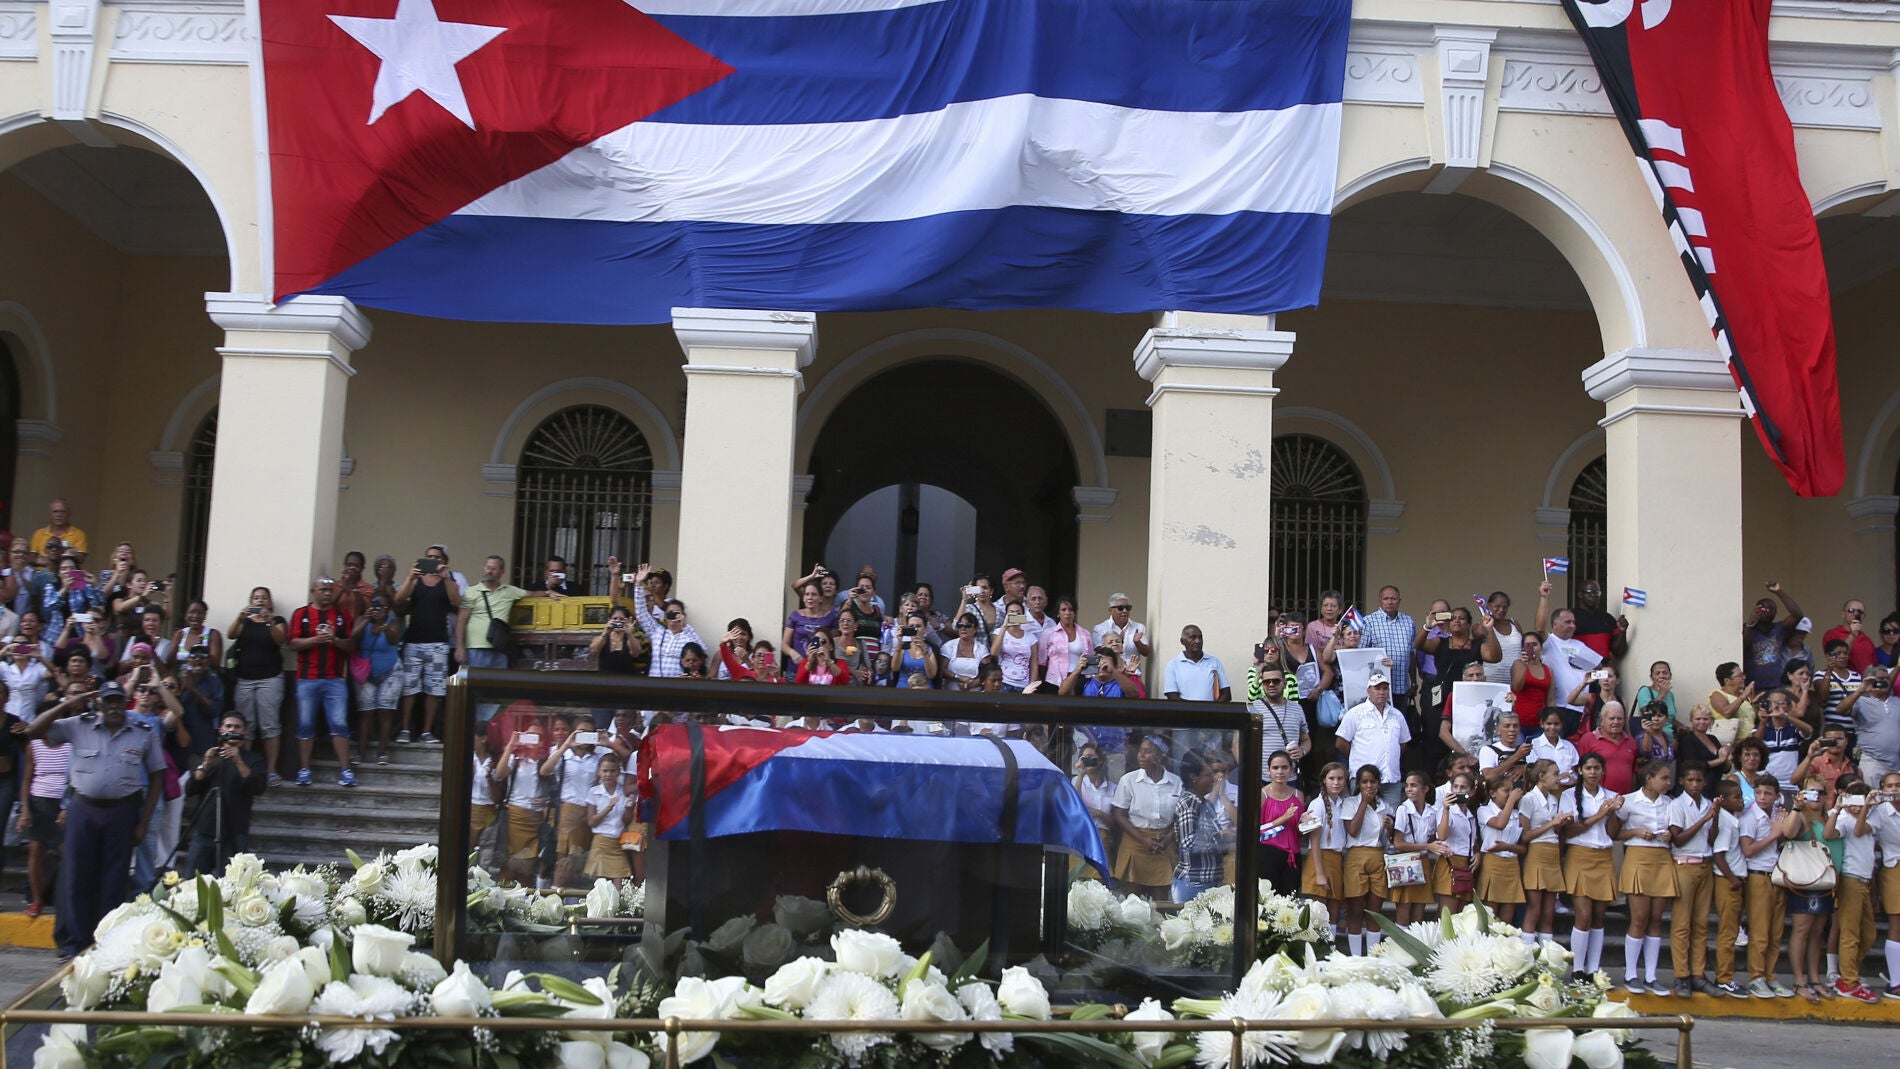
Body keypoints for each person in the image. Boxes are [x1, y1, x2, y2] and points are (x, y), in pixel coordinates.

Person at [13, 682, 165, 959]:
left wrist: (143, 821)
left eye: (118, 701)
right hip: (83, 809)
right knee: (76, 876)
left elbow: (157, 775)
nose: (114, 707)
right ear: (99, 704)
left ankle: (106, 942)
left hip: (122, 811)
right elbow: (33, 731)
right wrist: (70, 702)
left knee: (114, 879)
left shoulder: (142, 731)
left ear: (126, 703)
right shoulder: (79, 724)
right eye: (108, 701)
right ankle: (74, 943)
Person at [1615, 760, 1679, 995]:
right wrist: (1636, 831)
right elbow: (1614, 832)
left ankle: (1651, 976)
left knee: (1655, 919)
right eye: (1664, 778)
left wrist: (1670, 835)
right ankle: (1631, 973)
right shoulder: (1629, 801)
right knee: (1639, 918)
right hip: (1638, 856)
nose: (1668, 782)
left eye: (1669, 778)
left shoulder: (1670, 803)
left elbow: (1675, 830)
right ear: (1649, 779)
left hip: (1662, 858)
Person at [287, 576, 355, 788]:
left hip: (335, 680)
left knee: (340, 723)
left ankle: (345, 770)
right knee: (306, 723)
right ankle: (304, 769)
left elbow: (351, 646)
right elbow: (292, 643)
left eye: (330, 590)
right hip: (306, 679)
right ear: (313, 591)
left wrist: (334, 640)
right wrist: (316, 640)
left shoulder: (342, 615)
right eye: (322, 589)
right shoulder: (301, 614)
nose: (327, 593)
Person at [183, 712, 267, 877]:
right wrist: (206, 764)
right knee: (191, 881)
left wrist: (238, 760)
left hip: (234, 832)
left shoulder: (253, 759)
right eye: (228, 726)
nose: (232, 730)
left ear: (244, 732)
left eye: (237, 727)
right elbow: (190, 788)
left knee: (230, 883)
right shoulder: (211, 757)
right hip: (205, 830)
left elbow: (257, 787)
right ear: (221, 730)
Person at [1559, 751, 1619, 979]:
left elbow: (1613, 833)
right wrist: (1600, 814)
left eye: (1597, 768)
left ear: (1603, 771)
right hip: (1580, 855)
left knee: (1598, 917)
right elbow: (1569, 830)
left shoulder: (1610, 795)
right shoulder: (1568, 796)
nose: (1593, 772)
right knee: (1583, 915)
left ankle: (1593, 969)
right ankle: (1577, 968)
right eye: (1588, 768)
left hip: (1603, 856)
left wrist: (1612, 813)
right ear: (1580, 771)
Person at [395, 545, 460, 744]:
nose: (433, 560)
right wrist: (410, 577)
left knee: (435, 690)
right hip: (413, 641)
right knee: (409, 689)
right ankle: (405, 729)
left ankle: (426, 731)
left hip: (438, 644)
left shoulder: (448, 581)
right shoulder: (416, 580)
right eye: (429, 557)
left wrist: (446, 577)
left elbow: (457, 602)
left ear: (444, 561)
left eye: (437, 557)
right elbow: (398, 600)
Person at [1825, 778, 1881, 1002]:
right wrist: (1837, 809)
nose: (1857, 808)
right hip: (1850, 878)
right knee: (1850, 934)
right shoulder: (1843, 818)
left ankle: (1848, 974)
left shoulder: (1873, 817)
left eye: (1861, 803)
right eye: (1854, 803)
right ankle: (1849, 982)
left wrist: (1867, 807)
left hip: (1864, 880)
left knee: (1869, 934)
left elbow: (1861, 829)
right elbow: (1829, 834)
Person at [1668, 761, 1721, 996]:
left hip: (1705, 864)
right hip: (1684, 864)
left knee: (1701, 924)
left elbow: (1711, 838)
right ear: (1682, 781)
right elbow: (1678, 839)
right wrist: (1704, 819)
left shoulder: (1708, 804)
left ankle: (1698, 974)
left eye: (1699, 780)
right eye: (1690, 780)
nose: (1695, 784)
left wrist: (1714, 817)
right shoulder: (1677, 805)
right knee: (1682, 924)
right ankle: (1681, 975)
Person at [1739, 771, 1793, 998]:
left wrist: (1781, 831)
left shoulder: (1777, 815)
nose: (1762, 797)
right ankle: (1756, 976)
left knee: (1776, 931)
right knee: (1760, 931)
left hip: (1776, 875)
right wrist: (1774, 835)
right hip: (1758, 875)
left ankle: (1770, 975)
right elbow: (1748, 850)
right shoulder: (1750, 816)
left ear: (1776, 796)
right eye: (1759, 792)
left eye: (1767, 793)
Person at [1781, 777, 1835, 1003]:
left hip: (1825, 880)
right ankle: (1799, 979)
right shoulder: (1802, 816)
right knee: (1802, 930)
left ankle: (1814, 978)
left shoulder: (1828, 816)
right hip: (1806, 880)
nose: (1817, 797)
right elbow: (1788, 832)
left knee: (1817, 932)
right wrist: (1796, 807)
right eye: (1812, 792)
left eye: (1821, 792)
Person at [227, 587, 286, 784]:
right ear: (250, 601)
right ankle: (244, 767)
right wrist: (239, 618)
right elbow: (231, 635)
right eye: (256, 598)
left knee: (270, 726)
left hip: (270, 679)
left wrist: (270, 622)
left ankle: (271, 771)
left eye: (264, 598)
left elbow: (280, 640)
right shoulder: (245, 621)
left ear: (270, 602)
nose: (260, 601)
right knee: (246, 726)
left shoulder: (277, 620)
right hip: (244, 679)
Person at [1111, 736, 1179, 901]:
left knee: (1160, 902)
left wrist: (1168, 838)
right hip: (1135, 842)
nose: (1140, 755)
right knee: (1133, 903)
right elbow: (1119, 814)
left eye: (1147, 752)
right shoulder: (1129, 780)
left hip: (1163, 845)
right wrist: (1144, 840)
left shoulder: (1175, 782)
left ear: (1160, 756)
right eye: (1140, 751)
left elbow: (1180, 817)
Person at [1335, 672, 1410, 808]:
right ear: (1368, 690)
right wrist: (1356, 758)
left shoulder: (1397, 715)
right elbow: (1341, 742)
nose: (1381, 692)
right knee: (1362, 815)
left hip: (1391, 779)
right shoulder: (1355, 713)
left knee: (1390, 817)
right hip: (1364, 780)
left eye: (1385, 688)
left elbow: (1403, 744)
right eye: (1377, 688)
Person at [15, 729, 68, 917]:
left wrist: (67, 806)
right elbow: (26, 780)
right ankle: (37, 900)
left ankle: (67, 900)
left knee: (68, 852)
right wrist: (25, 809)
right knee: (36, 850)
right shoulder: (34, 745)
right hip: (39, 801)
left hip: (63, 802)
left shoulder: (70, 745)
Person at [1339, 764, 1391, 955]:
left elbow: (1388, 840)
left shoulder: (1385, 806)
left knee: (1375, 911)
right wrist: (1364, 803)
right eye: (1364, 782)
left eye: (1373, 781)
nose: (1369, 785)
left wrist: (1390, 827)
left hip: (1377, 855)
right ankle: (1355, 956)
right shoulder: (1350, 803)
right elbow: (1352, 830)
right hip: (1356, 856)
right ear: (1359, 784)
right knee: (1355, 910)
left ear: (1378, 783)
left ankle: (1372, 954)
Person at [1170, 750, 1232, 904]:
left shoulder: (1204, 803)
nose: (1213, 779)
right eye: (1208, 775)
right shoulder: (1190, 803)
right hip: (1195, 883)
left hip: (1210, 882)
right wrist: (1221, 836)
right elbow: (1189, 843)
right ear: (1194, 777)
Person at [1708, 778, 1751, 998]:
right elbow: (1718, 855)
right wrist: (1733, 879)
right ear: (1723, 800)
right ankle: (1724, 977)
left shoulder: (1733, 819)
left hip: (1735, 878)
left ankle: (1726, 975)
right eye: (1736, 797)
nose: (1741, 800)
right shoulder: (1725, 822)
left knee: (1732, 930)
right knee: (1728, 932)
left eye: (1741, 796)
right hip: (1728, 881)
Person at [1519, 759, 1569, 946]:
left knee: (1548, 912)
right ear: (1541, 776)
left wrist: (1561, 824)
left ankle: (1547, 956)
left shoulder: (1554, 799)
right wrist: (1552, 823)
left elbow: (1554, 830)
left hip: (1552, 853)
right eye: (1555, 774)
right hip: (1537, 854)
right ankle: (1527, 953)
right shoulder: (1528, 799)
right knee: (1534, 909)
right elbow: (1525, 835)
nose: (1559, 778)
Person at [1863, 771, 1900, 999]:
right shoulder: (1880, 812)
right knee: (1896, 923)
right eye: (1890, 786)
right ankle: (1895, 982)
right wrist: (1868, 805)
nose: (1894, 789)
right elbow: (1861, 830)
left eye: (1898, 785)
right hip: (1894, 867)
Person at [353, 596, 403, 766]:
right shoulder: (362, 619)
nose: (377, 609)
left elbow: (393, 639)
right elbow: (354, 636)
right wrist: (367, 620)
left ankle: (382, 752)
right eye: (374, 605)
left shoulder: (392, 622)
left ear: (387, 609)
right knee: (366, 712)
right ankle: (360, 752)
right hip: (366, 673)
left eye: (381, 606)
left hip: (391, 672)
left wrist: (383, 625)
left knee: (384, 711)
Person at [1302, 762, 1349, 934]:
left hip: (1336, 860)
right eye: (1332, 778)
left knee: (1334, 911)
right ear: (1324, 780)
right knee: (1318, 912)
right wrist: (1320, 874)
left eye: (1340, 778)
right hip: (1320, 859)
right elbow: (1314, 841)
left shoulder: (1343, 803)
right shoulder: (1318, 804)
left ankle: (1332, 946)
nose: (1336, 782)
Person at [458, 555, 527, 670]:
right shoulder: (471, 592)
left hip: (500, 647)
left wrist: (548, 592)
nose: (489, 571)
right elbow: (461, 620)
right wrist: (460, 647)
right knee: (476, 680)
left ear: (502, 571)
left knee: (498, 681)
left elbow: (531, 594)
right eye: (487, 567)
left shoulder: (510, 591)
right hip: (476, 647)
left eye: (493, 569)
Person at [1389, 770, 1439, 927]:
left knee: (1418, 916)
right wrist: (1427, 846)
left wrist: (1430, 845)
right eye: (1407, 786)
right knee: (1403, 912)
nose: (1409, 789)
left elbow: (1432, 838)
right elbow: (1398, 843)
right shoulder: (1403, 809)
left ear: (1425, 789)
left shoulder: (1432, 812)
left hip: (1422, 862)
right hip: (1406, 861)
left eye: (1414, 785)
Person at [1476, 773, 1527, 924]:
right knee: (1491, 914)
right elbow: (1499, 824)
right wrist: (1511, 800)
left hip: (1512, 865)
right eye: (1506, 791)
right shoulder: (1484, 810)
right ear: (1493, 793)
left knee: (1507, 916)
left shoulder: (1516, 815)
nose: (1510, 794)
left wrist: (1507, 846)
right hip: (1493, 863)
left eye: (1512, 790)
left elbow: (1523, 848)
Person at [1245, 658, 1308, 774]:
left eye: (1276, 681)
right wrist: (1247, 769)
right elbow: (1237, 742)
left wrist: (1302, 750)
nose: (1271, 684)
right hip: (1260, 777)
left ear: (1284, 683)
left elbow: (1306, 739)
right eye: (1266, 682)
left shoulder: (1297, 709)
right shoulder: (1253, 708)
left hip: (1290, 777)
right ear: (1262, 684)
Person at [1434, 769, 1482, 916]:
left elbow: (1471, 839)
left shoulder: (1471, 814)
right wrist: (1446, 809)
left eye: (1463, 787)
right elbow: (1442, 836)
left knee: (1461, 915)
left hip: (1466, 864)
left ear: (1471, 791)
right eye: (1455, 787)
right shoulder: (1446, 811)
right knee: (1447, 915)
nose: (1458, 791)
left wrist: (1477, 853)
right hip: (1450, 862)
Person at [1257, 750, 1304, 895]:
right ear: (1268, 770)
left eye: (1284, 767)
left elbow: (1299, 831)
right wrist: (1283, 818)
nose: (1280, 772)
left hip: (1293, 853)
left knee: (1290, 898)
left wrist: (1306, 822)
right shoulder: (1262, 794)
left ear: (1291, 770)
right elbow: (1256, 830)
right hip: (1268, 852)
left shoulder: (1298, 794)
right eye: (1275, 768)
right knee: (1269, 899)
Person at [583, 753, 632, 880]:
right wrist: (608, 808)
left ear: (618, 772)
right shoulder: (594, 792)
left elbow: (626, 821)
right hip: (600, 842)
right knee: (598, 883)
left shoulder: (624, 792)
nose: (608, 774)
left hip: (618, 842)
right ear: (599, 772)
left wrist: (629, 808)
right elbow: (591, 822)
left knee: (620, 881)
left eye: (612, 771)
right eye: (605, 771)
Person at [1576, 703, 1640, 795]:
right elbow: (1578, 769)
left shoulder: (1631, 741)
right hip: (1597, 798)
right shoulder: (1588, 739)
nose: (1616, 722)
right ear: (1601, 720)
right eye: (1612, 718)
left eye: (1619, 718)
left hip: (1626, 798)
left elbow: (1634, 772)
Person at [1754, 688, 1810, 792]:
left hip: (1790, 785)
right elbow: (1754, 745)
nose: (1775, 706)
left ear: (1789, 706)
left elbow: (1809, 731)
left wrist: (1786, 717)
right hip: (1764, 785)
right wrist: (1762, 722)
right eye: (1772, 703)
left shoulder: (1793, 728)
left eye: (1780, 703)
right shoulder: (1761, 727)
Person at [1073, 742, 1115, 874]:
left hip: (1103, 840)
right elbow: (1074, 807)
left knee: (1100, 880)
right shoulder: (1076, 782)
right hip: (1081, 837)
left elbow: (1116, 822)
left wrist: (1099, 813)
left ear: (1100, 760)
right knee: (1077, 878)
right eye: (1084, 758)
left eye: (1091, 757)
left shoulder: (1112, 788)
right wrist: (1080, 774)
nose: (1087, 761)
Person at [1852, 665, 1898, 783]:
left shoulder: (1897, 702)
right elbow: (1841, 710)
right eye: (1880, 679)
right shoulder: (1860, 702)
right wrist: (1860, 691)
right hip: (1872, 761)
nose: (1885, 682)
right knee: (1871, 794)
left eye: (1887, 679)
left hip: (1897, 761)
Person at [781, 578, 838, 668]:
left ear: (821, 598)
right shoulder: (795, 615)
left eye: (814, 594)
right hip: (797, 668)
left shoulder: (830, 617)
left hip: (821, 669)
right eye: (807, 594)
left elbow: (834, 644)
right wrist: (792, 653)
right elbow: (784, 645)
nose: (810, 598)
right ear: (803, 598)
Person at [1092, 594, 1151, 678]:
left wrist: (1137, 642)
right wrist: (1118, 641)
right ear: (1110, 610)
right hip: (1110, 676)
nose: (1125, 611)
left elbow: (1147, 653)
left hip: (1133, 674)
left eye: (1128, 608)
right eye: (1120, 608)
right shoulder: (1100, 628)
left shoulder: (1138, 627)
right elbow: (1099, 653)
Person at [1570, 580, 1629, 663]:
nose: (1593, 595)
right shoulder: (1570, 617)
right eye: (1589, 592)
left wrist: (1622, 632)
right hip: (1577, 667)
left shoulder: (1608, 618)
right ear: (1580, 594)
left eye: (1596, 592)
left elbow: (1618, 653)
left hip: (1603, 667)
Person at [1040, 599, 1094, 689]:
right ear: (1058, 613)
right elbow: (1042, 663)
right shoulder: (1048, 634)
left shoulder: (1085, 634)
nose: (1067, 613)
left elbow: (1090, 660)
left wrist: (1089, 680)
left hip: (1079, 680)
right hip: (1054, 681)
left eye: (1070, 609)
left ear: (1075, 613)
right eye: (1063, 609)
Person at [990, 599, 1039, 692]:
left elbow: (1034, 664)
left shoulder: (1031, 637)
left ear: (1023, 616)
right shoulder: (998, 632)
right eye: (1011, 612)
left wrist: (1031, 687)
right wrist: (1004, 627)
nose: (1015, 615)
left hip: (1023, 684)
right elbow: (994, 652)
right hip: (1004, 682)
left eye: (1018, 613)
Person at [1509, 631, 1552, 732]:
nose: (1532, 648)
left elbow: (1550, 700)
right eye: (1528, 645)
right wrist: (1525, 665)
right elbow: (1517, 687)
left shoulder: (1548, 670)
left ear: (1541, 647)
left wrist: (1550, 721)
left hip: (1539, 722)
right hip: (1518, 722)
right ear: (1523, 648)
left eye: (1535, 644)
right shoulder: (1518, 664)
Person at [1676, 705, 1731, 781]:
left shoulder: (1713, 739)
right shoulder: (1687, 739)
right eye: (1698, 719)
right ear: (1691, 720)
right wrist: (1720, 760)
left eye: (1705, 719)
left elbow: (1726, 769)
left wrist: (1725, 756)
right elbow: (1692, 766)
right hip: (1696, 786)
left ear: (1711, 721)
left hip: (1715, 784)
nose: (1702, 722)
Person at [1821, 598, 1877, 674]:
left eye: (1860, 611)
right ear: (1843, 614)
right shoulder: (1832, 634)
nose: (1856, 614)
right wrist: (1852, 635)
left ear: (1863, 616)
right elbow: (1836, 658)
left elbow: (1873, 666)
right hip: (1845, 680)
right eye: (1851, 610)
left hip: (1865, 680)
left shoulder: (1867, 641)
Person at [168, 599, 223, 671]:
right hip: (180, 676)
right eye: (192, 612)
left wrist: (201, 650)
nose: (195, 616)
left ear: (205, 616)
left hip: (204, 677)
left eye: (200, 613)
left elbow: (216, 664)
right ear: (186, 615)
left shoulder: (213, 634)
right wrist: (175, 645)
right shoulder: (179, 634)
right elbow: (169, 664)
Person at [592, 605, 644, 676]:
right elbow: (594, 652)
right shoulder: (603, 637)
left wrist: (629, 633)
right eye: (615, 618)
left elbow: (635, 653)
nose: (618, 621)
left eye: (621, 619)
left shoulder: (629, 638)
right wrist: (605, 633)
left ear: (627, 621)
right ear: (609, 620)